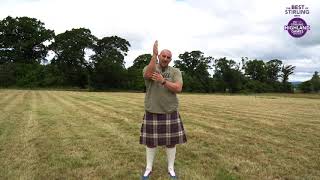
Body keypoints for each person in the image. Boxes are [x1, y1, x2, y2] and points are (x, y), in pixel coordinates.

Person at [140, 40, 187, 179]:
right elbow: (147, 75)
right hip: (152, 110)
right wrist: (153, 55)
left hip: (170, 111)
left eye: (168, 57)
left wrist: (163, 81)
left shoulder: (175, 71)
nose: (165, 58)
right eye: (163, 56)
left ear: (170, 59)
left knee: (171, 143)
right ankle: (148, 168)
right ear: (160, 56)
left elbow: (178, 88)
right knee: (150, 142)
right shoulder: (151, 67)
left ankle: (171, 168)